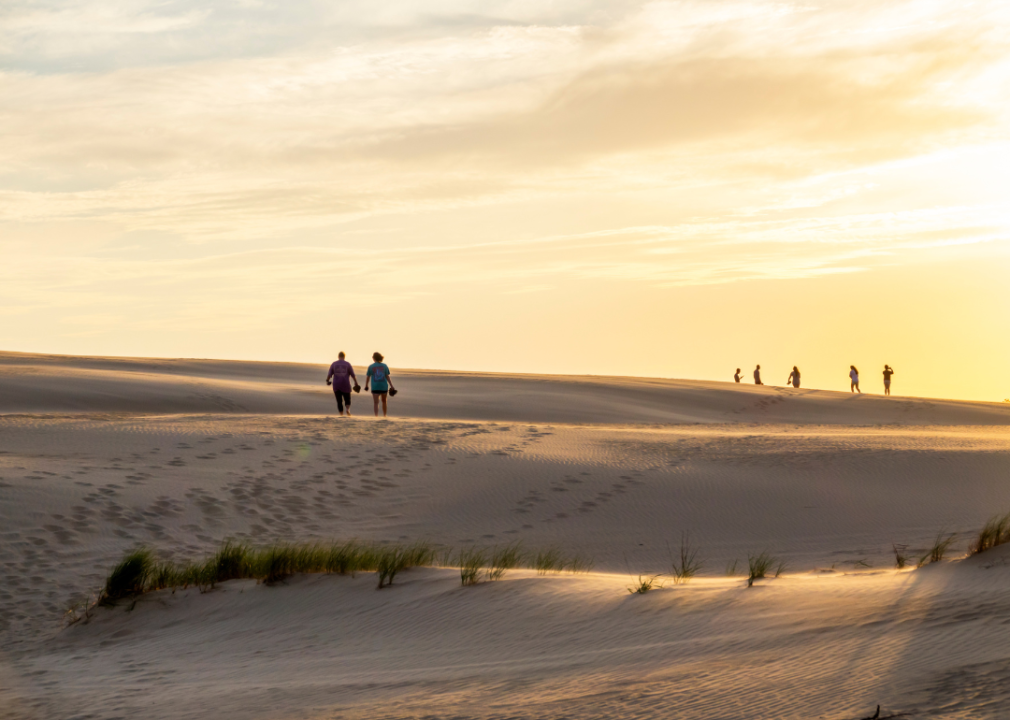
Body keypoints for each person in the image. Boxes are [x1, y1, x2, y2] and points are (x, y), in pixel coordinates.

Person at [326, 352, 357, 416]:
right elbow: (353, 374)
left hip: (336, 385)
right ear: (344, 356)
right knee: (347, 399)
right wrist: (356, 382)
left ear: (338, 356)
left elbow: (329, 374)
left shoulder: (334, 364)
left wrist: (327, 380)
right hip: (346, 384)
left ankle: (341, 414)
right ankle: (347, 409)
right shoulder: (347, 364)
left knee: (339, 401)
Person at [365, 352, 395, 417]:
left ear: (374, 358)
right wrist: (391, 385)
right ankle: (384, 415)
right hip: (383, 386)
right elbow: (387, 376)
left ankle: (376, 416)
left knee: (376, 402)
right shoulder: (384, 366)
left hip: (375, 387)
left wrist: (366, 385)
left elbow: (368, 376)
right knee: (384, 401)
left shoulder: (371, 366)